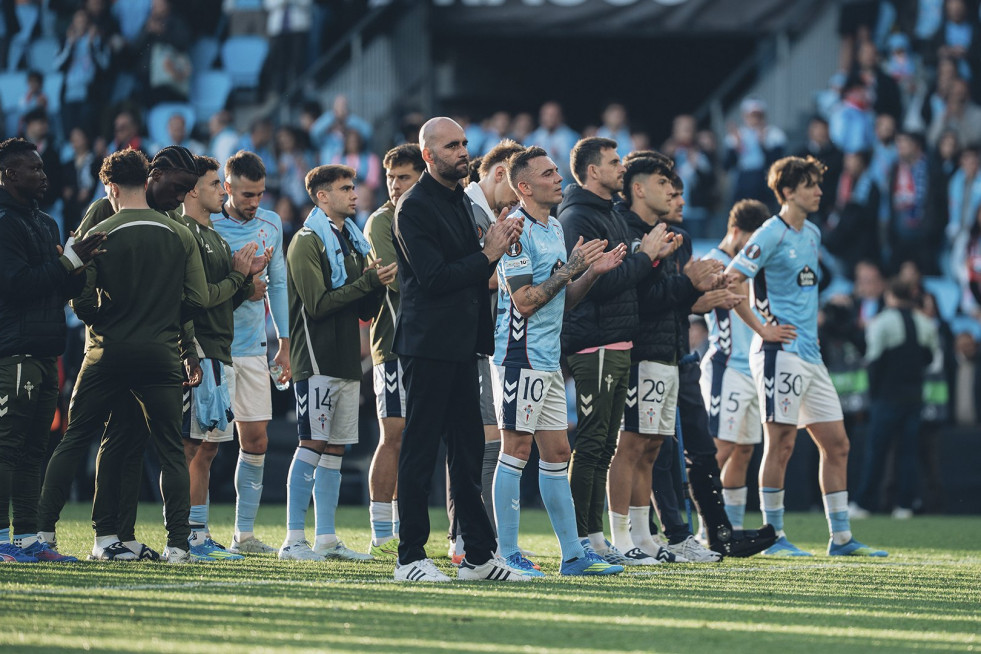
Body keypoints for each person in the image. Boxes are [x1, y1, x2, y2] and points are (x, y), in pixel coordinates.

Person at [37, 148, 208, 563]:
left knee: (78, 438)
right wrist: (167, 322)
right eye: (180, 188)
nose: (181, 197)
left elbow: (80, 299)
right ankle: (178, 545)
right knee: (169, 449)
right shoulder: (180, 232)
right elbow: (198, 299)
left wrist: (111, 315)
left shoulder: (102, 228)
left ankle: (45, 534)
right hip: (161, 353)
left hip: (108, 351)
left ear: (111, 186)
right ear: (150, 177)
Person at [726, 155, 888, 557]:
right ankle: (774, 537)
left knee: (838, 443)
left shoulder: (812, 232)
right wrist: (762, 328)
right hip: (779, 352)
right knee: (780, 443)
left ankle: (841, 539)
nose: (819, 191)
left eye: (818, 183)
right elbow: (732, 279)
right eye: (810, 185)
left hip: (811, 355)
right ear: (787, 191)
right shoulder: (770, 232)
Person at [391, 117, 526, 582]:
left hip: (464, 344)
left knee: (468, 453)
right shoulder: (413, 207)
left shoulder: (460, 202)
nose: (463, 151)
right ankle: (410, 557)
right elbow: (433, 279)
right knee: (420, 450)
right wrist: (488, 253)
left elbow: (471, 273)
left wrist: (494, 248)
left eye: (465, 143)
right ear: (428, 155)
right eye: (451, 145)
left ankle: (478, 557)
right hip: (428, 344)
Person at [491, 146, 629, 578]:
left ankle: (573, 556)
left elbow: (562, 299)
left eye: (556, 171)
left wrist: (590, 274)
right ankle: (506, 553)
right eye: (549, 173)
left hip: (548, 358)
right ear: (525, 187)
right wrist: (570, 269)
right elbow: (525, 301)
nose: (559, 179)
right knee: (516, 450)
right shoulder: (515, 231)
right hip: (519, 357)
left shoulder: (553, 227)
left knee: (558, 452)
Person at [556, 137, 672, 562]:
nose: (621, 167)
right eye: (614, 161)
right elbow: (597, 285)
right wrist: (645, 258)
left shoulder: (609, 213)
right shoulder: (578, 217)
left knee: (606, 445)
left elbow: (627, 278)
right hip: (594, 341)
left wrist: (650, 258)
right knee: (591, 444)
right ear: (592, 171)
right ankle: (580, 541)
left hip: (619, 340)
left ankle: (597, 537)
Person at [279, 164, 392, 562]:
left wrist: (377, 285)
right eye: (345, 188)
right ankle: (293, 539)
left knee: (335, 450)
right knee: (312, 443)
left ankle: (325, 538)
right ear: (322, 196)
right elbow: (318, 304)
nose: (354, 194)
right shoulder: (306, 241)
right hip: (315, 359)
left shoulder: (353, 242)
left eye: (353, 187)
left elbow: (363, 309)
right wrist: (368, 282)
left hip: (345, 360)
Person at [0, 138, 104, 563]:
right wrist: (67, 263)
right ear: (9, 175)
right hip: (14, 352)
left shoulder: (46, 224)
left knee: (34, 449)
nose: (44, 176)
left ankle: (27, 540)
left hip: (47, 351)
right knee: (6, 447)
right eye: (34, 169)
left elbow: (58, 288)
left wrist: (79, 267)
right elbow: (16, 285)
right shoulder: (4, 223)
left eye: (43, 168)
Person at [181, 155, 267, 560]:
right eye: (215, 184)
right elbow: (197, 300)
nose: (222, 191)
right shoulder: (186, 233)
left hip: (220, 351)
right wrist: (238, 277)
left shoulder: (212, 234)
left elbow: (221, 301)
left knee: (208, 447)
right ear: (193, 189)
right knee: (191, 447)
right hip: (199, 351)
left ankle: (197, 534)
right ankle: (185, 535)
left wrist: (245, 281)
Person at [213, 151, 291, 555]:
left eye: (260, 194)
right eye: (247, 194)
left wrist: (285, 343)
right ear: (227, 187)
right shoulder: (207, 223)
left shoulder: (271, 223)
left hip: (254, 348)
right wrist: (243, 281)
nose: (254, 202)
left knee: (257, 441)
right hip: (214, 347)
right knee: (205, 445)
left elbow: (278, 285)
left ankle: (243, 535)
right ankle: (192, 533)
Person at [453, 138, 524, 562]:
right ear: (500, 174)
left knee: (478, 438)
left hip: (481, 340)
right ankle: (469, 539)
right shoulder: (468, 209)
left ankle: (472, 537)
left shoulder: (485, 211)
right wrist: (517, 273)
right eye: (515, 190)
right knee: (481, 439)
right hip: (463, 339)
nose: (516, 203)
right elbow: (471, 272)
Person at [363, 144, 424, 558]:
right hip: (393, 344)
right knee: (394, 435)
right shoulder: (381, 221)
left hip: (428, 342)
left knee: (416, 438)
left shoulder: (427, 214)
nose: (395, 184)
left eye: (404, 177)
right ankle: (382, 532)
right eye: (391, 177)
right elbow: (398, 280)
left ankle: (405, 527)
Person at [699, 200, 771, 531]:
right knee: (720, 449)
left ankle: (734, 528)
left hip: (752, 368)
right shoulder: (713, 261)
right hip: (725, 366)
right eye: (752, 239)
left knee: (743, 451)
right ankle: (705, 528)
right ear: (736, 231)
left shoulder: (752, 266)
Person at [853, 277, 939, 517]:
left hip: (886, 397)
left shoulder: (881, 322)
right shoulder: (925, 323)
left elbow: (873, 361)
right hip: (914, 396)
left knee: (877, 452)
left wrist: (874, 394)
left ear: (889, 295)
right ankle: (905, 505)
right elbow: (930, 359)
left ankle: (864, 503)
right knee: (908, 453)